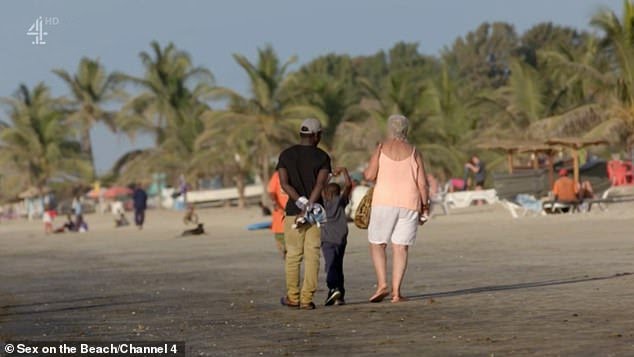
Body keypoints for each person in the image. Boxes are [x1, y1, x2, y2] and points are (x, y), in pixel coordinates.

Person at [364, 114, 430, 303]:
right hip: (410, 202)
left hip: (384, 201)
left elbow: (369, 175)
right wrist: (425, 205)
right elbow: (423, 184)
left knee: (378, 243)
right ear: (406, 130)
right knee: (400, 247)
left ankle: (382, 283)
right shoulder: (414, 151)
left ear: (389, 130)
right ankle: (396, 293)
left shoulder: (381, 148)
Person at [277, 118, 331, 310]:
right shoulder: (322, 157)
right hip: (315, 214)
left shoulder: (286, 155)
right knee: (312, 255)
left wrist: (300, 203)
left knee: (293, 255)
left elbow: (284, 184)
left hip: (293, 213)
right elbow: (320, 184)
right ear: (316, 135)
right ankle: (306, 299)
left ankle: (293, 296)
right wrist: (308, 206)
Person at [321, 167, 352, 306]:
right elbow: (349, 185)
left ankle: (334, 288)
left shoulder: (323, 204)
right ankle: (339, 296)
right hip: (341, 239)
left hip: (327, 240)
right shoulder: (341, 202)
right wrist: (344, 171)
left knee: (330, 266)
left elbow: (320, 187)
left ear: (325, 193)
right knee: (338, 265)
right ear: (339, 193)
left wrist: (329, 175)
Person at [267, 170, 290, 259]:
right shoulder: (277, 175)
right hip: (280, 213)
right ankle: (284, 252)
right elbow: (271, 191)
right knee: (280, 235)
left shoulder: (297, 171)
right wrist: (275, 203)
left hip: (296, 212)